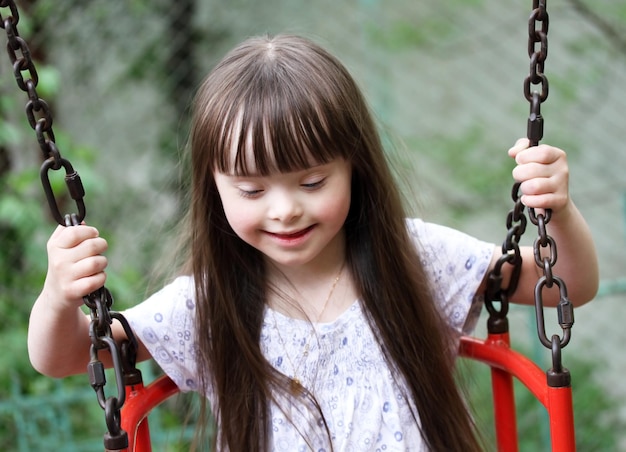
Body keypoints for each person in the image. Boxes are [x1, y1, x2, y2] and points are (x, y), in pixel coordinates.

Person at [27, 34, 598, 451]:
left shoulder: (415, 259)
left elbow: (566, 285)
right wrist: (58, 296)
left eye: (312, 182)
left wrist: (559, 211)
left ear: (355, 169)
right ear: (215, 191)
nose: (284, 209)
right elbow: (70, 355)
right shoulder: (211, 303)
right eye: (251, 189)